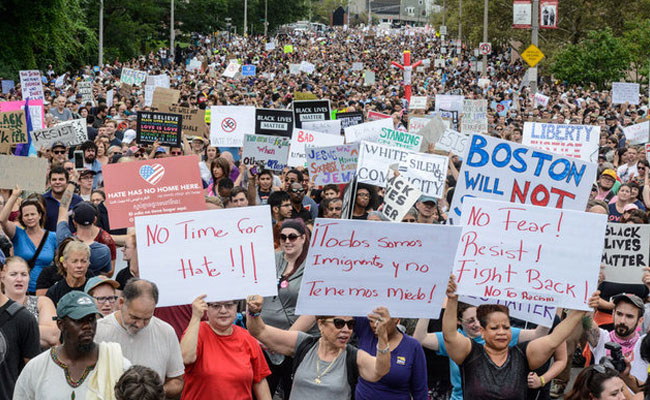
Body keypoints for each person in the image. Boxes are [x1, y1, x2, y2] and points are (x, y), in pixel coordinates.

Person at [442, 275, 590, 399]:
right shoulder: (469, 353)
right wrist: (452, 300)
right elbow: (449, 336)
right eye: (494, 328)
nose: (501, 332)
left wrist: (581, 310)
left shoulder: (522, 355)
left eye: (506, 327)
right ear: (482, 331)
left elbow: (554, 339)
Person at [246, 294, 393, 399]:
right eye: (339, 323)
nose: (346, 330)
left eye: (351, 324)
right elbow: (260, 331)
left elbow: (379, 370)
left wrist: (382, 337)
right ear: (321, 324)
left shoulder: (353, 356)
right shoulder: (303, 343)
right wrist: (254, 312)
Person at [414, 301, 554, 400]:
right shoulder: (454, 340)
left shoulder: (498, 335)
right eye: (470, 320)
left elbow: (538, 334)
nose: (476, 324)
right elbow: (420, 339)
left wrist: (550, 304)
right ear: (458, 321)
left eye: (478, 318)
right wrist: (429, 307)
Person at [13, 291, 131, 399]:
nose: (87, 326)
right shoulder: (37, 368)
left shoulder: (116, 364)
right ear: (61, 324)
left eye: (91, 319)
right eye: (79, 320)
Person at [94, 279, 185, 398]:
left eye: (147, 319)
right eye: (134, 317)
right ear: (121, 303)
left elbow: (177, 381)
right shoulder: (98, 331)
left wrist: (150, 392)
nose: (140, 325)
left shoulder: (166, 332)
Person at [180, 295, 272, 400]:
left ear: (236, 307)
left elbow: (260, 380)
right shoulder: (197, 332)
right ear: (206, 308)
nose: (223, 311)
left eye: (229, 305)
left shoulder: (247, 337)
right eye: (216, 306)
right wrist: (195, 317)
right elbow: (185, 358)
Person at [262, 219, 315, 397]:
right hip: (263, 342)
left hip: (295, 343)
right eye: (282, 237)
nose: (287, 241)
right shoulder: (270, 259)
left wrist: (283, 339)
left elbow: (313, 310)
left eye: (292, 237)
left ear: (303, 238)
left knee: (292, 393)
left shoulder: (313, 266)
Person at [0, 186, 57, 294]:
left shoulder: (52, 236)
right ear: (22, 218)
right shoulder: (17, 234)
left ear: (40, 215)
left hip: (44, 291)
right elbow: (2, 220)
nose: (30, 218)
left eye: (33, 214)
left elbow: (59, 262)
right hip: (20, 291)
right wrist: (14, 196)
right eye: (26, 215)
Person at [354, 315, 428, 399]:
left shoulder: (413, 347)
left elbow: (420, 391)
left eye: (380, 320)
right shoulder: (365, 330)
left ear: (396, 318)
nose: (375, 325)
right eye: (371, 321)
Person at [0, 257, 41, 400]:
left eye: (23, 274)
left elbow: (34, 375)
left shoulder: (23, 318)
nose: (19, 279)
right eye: (15, 274)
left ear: (2, 272)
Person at [1, 256, 59, 348]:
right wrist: (35, 333)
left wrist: (11, 330)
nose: (19, 279)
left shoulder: (42, 302)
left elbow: (52, 336)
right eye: (13, 274)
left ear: (29, 278)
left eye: (24, 274)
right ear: (2, 278)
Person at [45, 240, 92, 306]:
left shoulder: (94, 289)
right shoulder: (54, 292)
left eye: (83, 261)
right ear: (64, 263)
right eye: (74, 261)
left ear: (88, 263)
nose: (79, 265)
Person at [43, 166, 83, 232]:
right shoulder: (42, 200)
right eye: (54, 180)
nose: (57, 182)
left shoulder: (78, 201)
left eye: (61, 179)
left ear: (67, 182)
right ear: (49, 182)